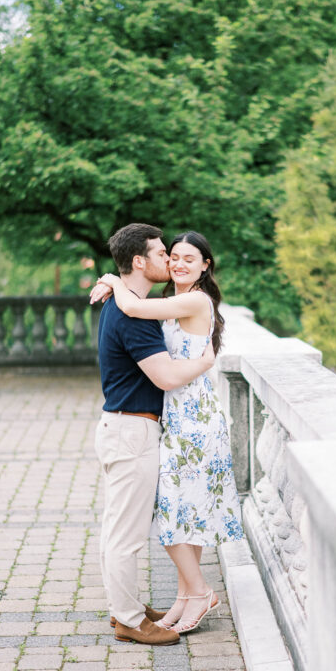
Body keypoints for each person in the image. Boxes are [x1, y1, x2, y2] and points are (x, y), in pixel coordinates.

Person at [93, 230, 244, 634]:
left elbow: (133, 308)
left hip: (191, 419)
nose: (175, 262)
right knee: (178, 514)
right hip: (166, 419)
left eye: (186, 258)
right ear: (142, 262)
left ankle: (197, 592)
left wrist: (113, 282)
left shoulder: (191, 300)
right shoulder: (161, 304)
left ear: (205, 265)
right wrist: (113, 281)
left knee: (178, 516)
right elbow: (135, 309)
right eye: (170, 255)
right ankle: (183, 597)